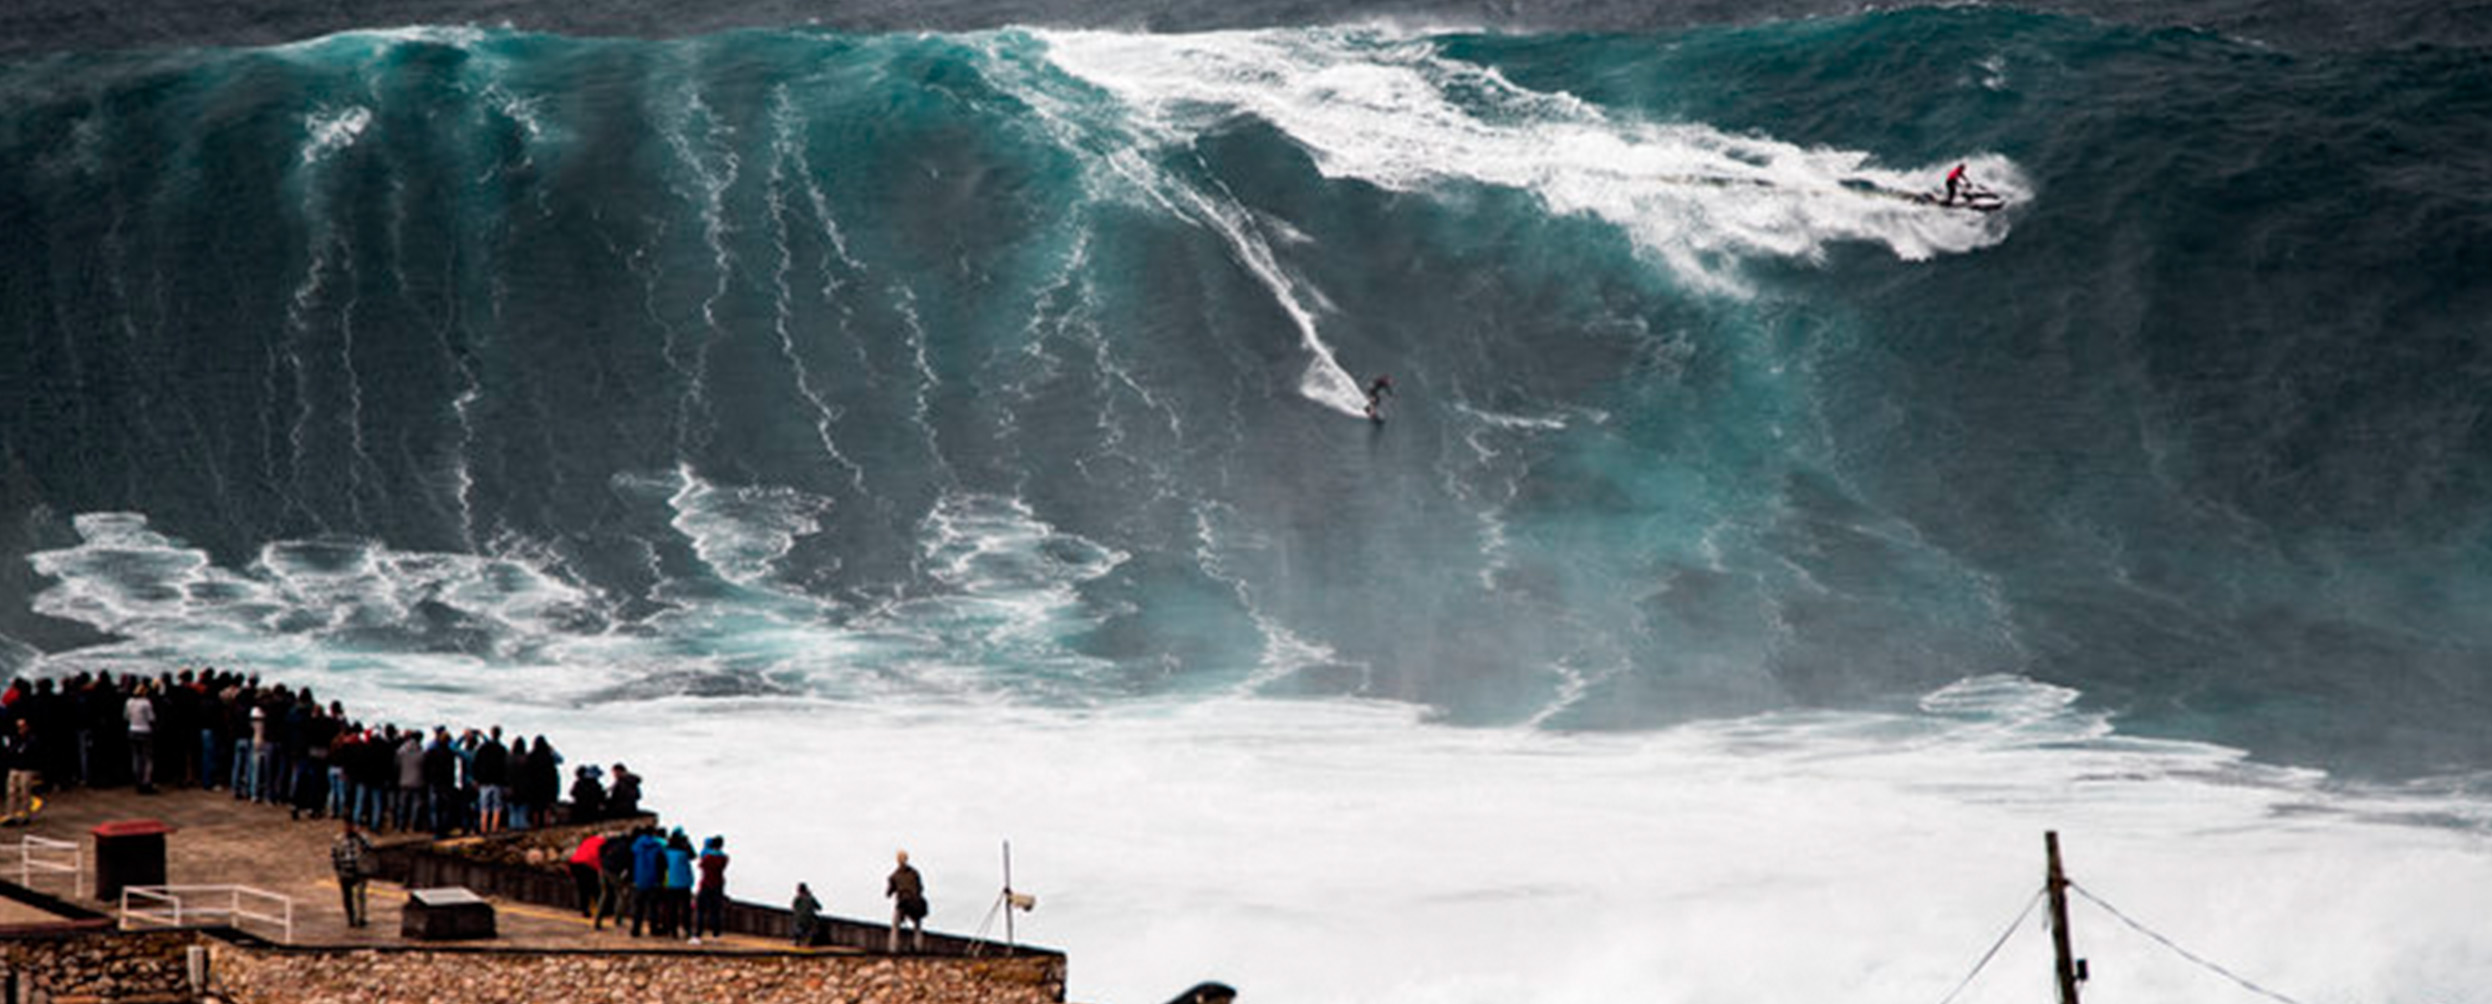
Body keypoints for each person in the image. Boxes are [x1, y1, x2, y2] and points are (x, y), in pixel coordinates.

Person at [331, 818, 374, 928]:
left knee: (360, 894)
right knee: (347, 896)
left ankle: (361, 917)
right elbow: (334, 855)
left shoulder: (362, 839)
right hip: (345, 871)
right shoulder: (339, 840)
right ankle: (351, 917)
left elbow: (370, 851)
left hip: (359, 871)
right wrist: (338, 870)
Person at [886, 849, 927, 954]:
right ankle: (918, 948)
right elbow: (921, 888)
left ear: (898, 861)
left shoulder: (894, 875)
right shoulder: (915, 873)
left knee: (895, 925)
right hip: (916, 902)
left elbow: (888, 893)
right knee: (917, 926)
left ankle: (893, 948)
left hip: (903, 903)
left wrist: (891, 889)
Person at [3, 717, 40, 823]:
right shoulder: (14, 738)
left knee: (25, 792)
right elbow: (10, 750)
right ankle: (10, 814)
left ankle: (25, 814)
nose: (20, 729)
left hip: (26, 768)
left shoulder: (32, 739)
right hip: (14, 767)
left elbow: (32, 752)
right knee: (11, 792)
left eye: (22, 727)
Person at [694, 835, 729, 943]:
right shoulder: (724, 858)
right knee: (716, 912)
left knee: (701, 910)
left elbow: (701, 866)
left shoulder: (708, 857)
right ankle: (716, 935)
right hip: (718, 885)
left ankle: (698, 935)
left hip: (706, 884)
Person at [567, 831, 608, 917]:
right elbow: (598, 857)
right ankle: (601, 910)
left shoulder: (587, 840)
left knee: (583, 889)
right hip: (587, 865)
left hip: (575, 863)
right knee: (595, 888)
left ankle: (585, 910)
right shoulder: (603, 843)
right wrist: (599, 869)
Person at [790, 882, 821, 947]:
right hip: (809, 919)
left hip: (800, 919)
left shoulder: (798, 898)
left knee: (797, 928)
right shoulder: (810, 898)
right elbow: (819, 907)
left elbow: (793, 906)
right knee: (812, 928)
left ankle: (796, 941)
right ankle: (808, 942)